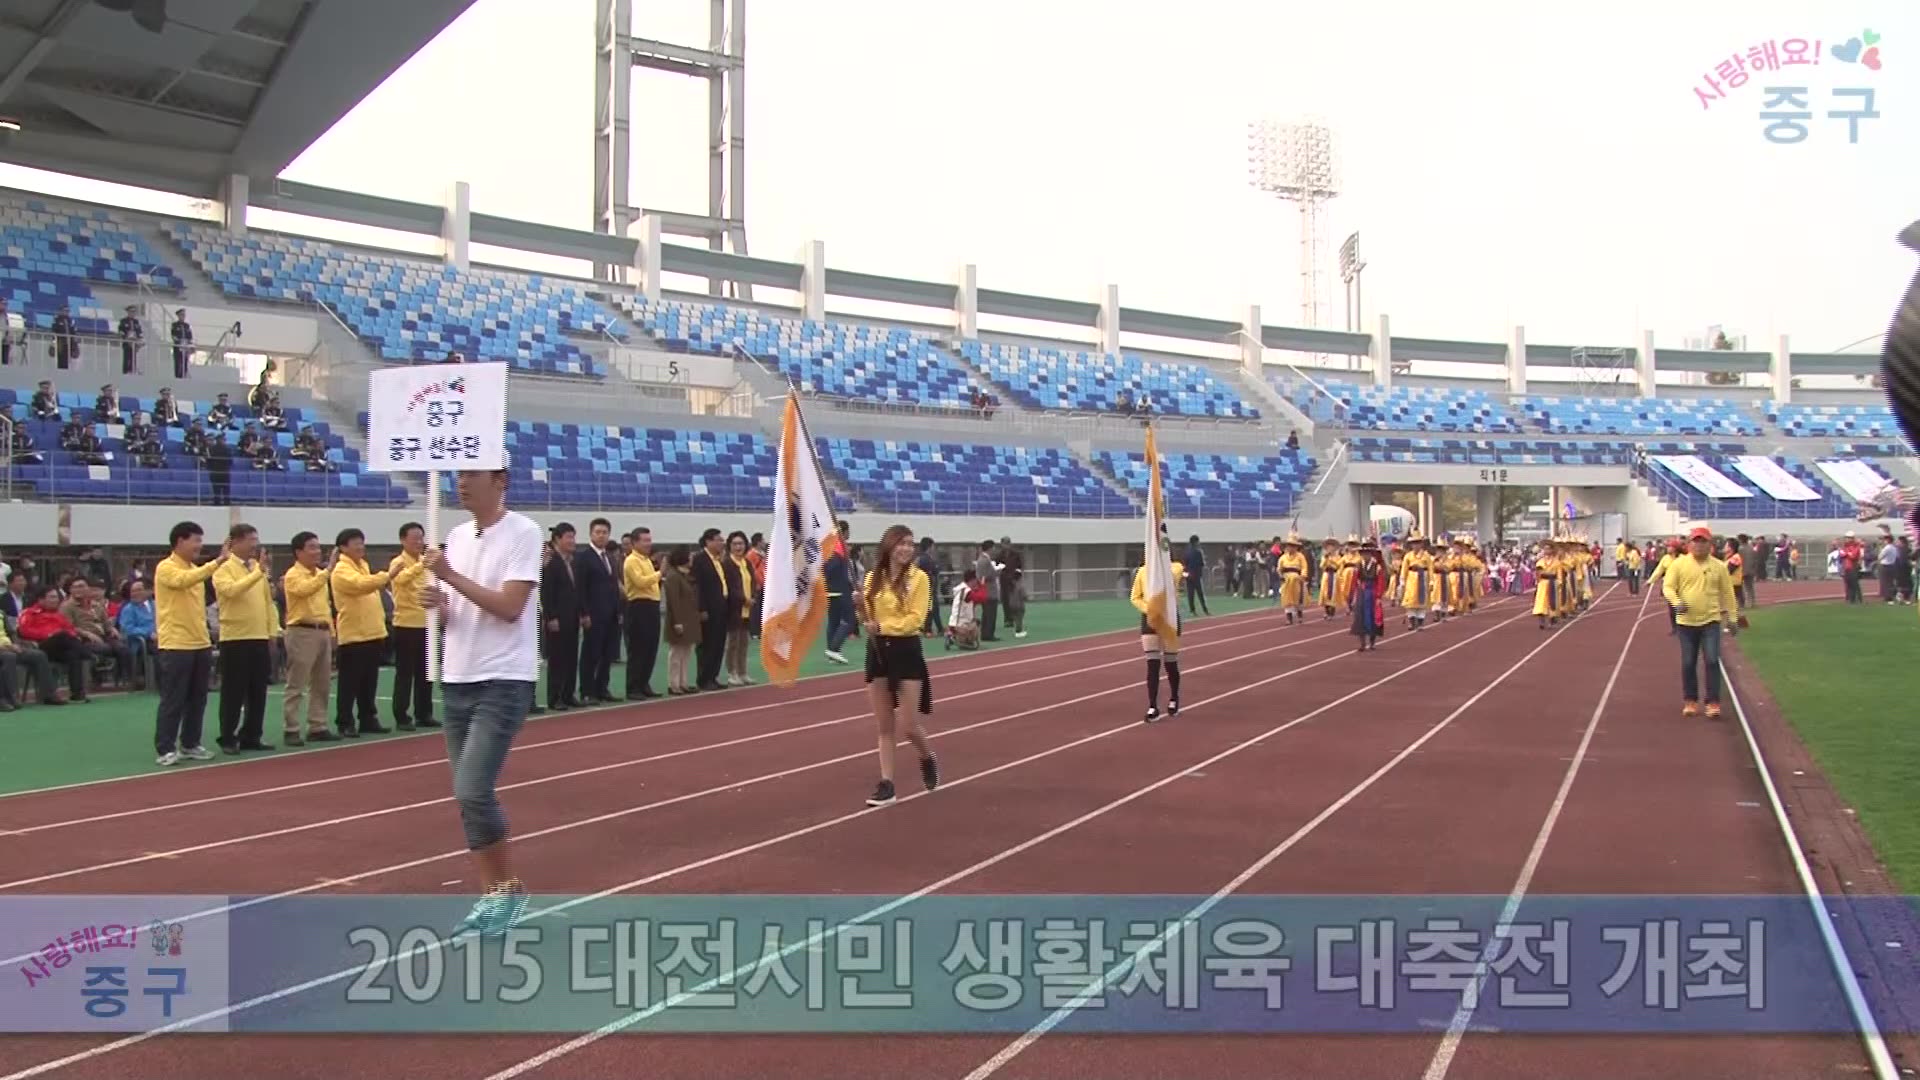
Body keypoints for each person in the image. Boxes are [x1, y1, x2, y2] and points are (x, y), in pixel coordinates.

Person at [420, 469, 542, 938]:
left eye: (472, 475)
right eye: (458, 475)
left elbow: (511, 607)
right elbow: (459, 608)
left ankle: (505, 892)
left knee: (472, 788)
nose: (461, 482)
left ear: (500, 480)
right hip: (458, 677)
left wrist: (449, 575)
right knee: (467, 797)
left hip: (503, 679)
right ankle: (498, 894)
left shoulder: (523, 532)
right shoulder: (455, 535)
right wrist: (440, 600)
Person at [860, 524, 939, 807]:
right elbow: (868, 618)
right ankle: (887, 784)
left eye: (910, 543)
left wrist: (882, 626)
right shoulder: (872, 579)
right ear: (888, 546)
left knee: (908, 725)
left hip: (905, 652)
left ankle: (926, 757)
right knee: (884, 726)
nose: (906, 548)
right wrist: (861, 608)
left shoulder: (919, 579)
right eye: (901, 543)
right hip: (878, 652)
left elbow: (915, 620)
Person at [154, 521, 232, 765]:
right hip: (176, 643)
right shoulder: (166, 568)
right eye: (195, 540)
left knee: (198, 697)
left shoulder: (194, 570)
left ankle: (190, 743)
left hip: (199, 641)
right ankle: (165, 747)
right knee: (174, 698)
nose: (199, 545)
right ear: (179, 541)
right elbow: (183, 581)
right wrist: (217, 562)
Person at [212, 523, 280, 754]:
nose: (255, 544)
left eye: (255, 539)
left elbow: (267, 602)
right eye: (251, 540)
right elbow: (231, 591)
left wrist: (272, 631)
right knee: (234, 690)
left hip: (259, 636)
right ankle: (228, 736)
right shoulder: (224, 568)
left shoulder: (256, 568)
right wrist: (257, 573)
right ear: (236, 542)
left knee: (257, 690)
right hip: (236, 638)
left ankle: (252, 734)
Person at [1663, 526, 1740, 719]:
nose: (1698, 545)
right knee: (1688, 662)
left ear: (1710, 545)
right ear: (1689, 544)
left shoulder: (1719, 567)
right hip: (1686, 623)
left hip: (1710, 621)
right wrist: (1676, 602)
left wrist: (1733, 618)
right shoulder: (1679, 565)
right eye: (1695, 541)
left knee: (1712, 660)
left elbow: (1728, 594)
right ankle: (1690, 700)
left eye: (1702, 541)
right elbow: (1668, 587)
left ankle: (1713, 702)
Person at [329, 528, 391, 736]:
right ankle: (345, 721)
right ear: (343, 548)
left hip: (372, 632)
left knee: (369, 680)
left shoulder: (363, 565)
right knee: (349, 682)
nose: (360, 546)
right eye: (355, 543)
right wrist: (387, 575)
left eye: (362, 542)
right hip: (353, 634)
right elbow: (361, 585)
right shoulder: (341, 570)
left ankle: (367, 717)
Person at [279, 531, 337, 745]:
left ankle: (318, 725)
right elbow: (303, 591)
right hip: (301, 631)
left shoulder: (318, 575)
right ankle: (291, 727)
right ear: (298, 552)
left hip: (321, 630)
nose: (317, 551)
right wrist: (327, 571)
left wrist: (331, 632)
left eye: (318, 547)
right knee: (297, 682)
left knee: (322, 683)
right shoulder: (294, 574)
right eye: (311, 547)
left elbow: (325, 606)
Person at [388, 522, 438, 730]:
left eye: (421, 538)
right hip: (406, 625)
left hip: (426, 624)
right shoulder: (398, 562)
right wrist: (422, 565)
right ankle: (401, 715)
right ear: (403, 540)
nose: (419, 542)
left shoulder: (424, 564)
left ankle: (424, 713)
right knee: (405, 673)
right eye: (414, 538)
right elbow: (400, 581)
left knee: (426, 672)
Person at [1132, 540, 1185, 724]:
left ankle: (1174, 699)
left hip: (1169, 618)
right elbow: (1135, 597)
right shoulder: (1142, 571)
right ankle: (1153, 705)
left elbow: (1173, 576)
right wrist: (1149, 609)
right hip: (1151, 620)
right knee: (1152, 663)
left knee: (1170, 663)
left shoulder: (1174, 568)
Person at [539, 523, 584, 710]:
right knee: (557, 659)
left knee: (571, 657)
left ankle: (568, 693)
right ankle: (555, 696)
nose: (572, 541)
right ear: (557, 539)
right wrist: (551, 617)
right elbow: (546, 592)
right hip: (557, 618)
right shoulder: (551, 562)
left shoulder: (571, 561)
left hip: (572, 617)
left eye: (573, 537)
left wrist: (581, 613)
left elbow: (576, 591)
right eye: (569, 537)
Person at [622, 527, 662, 699]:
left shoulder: (646, 560)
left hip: (652, 605)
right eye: (644, 540)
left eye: (649, 540)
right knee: (638, 648)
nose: (648, 544)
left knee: (650, 648)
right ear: (635, 542)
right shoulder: (631, 561)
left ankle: (644, 683)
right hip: (639, 606)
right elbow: (640, 582)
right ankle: (633, 687)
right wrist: (661, 573)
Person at [691, 527, 731, 691]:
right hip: (708, 609)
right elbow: (697, 586)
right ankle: (704, 678)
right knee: (707, 645)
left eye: (722, 540)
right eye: (718, 540)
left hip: (721, 607)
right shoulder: (700, 559)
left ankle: (713, 676)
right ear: (708, 541)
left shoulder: (718, 560)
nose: (721, 543)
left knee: (718, 644)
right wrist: (701, 608)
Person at [661, 546, 699, 695]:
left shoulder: (685, 576)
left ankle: (683, 682)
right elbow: (673, 601)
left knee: (686, 652)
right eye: (689, 556)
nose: (691, 559)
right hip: (679, 620)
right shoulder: (673, 576)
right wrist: (677, 622)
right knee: (676, 653)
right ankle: (673, 683)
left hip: (688, 619)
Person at [723, 530, 755, 686]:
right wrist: (743, 599)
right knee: (733, 642)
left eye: (741, 543)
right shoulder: (727, 563)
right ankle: (732, 672)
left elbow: (752, 582)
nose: (738, 547)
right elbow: (731, 587)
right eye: (735, 544)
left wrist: (752, 598)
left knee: (744, 642)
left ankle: (743, 672)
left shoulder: (746, 562)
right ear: (729, 545)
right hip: (734, 608)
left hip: (748, 609)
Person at [1349, 539, 1387, 651]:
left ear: (1371, 554)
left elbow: (1380, 582)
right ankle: (1362, 643)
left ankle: (1372, 642)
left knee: (1373, 617)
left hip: (1373, 593)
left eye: (1368, 554)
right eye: (1364, 554)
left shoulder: (1377, 567)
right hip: (1362, 593)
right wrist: (1353, 594)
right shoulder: (1358, 565)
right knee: (1360, 617)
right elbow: (1354, 580)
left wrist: (1379, 596)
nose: (1366, 556)